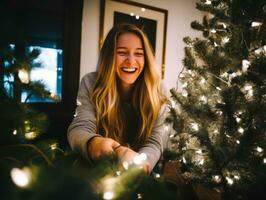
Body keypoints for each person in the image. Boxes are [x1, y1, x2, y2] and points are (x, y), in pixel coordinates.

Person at [67, 23, 169, 174]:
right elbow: (79, 128)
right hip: (99, 171)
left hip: (143, 175)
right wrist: (93, 143)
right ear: (109, 56)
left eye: (139, 54)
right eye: (122, 52)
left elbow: (156, 141)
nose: (131, 60)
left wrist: (140, 165)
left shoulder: (159, 89)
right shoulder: (90, 82)